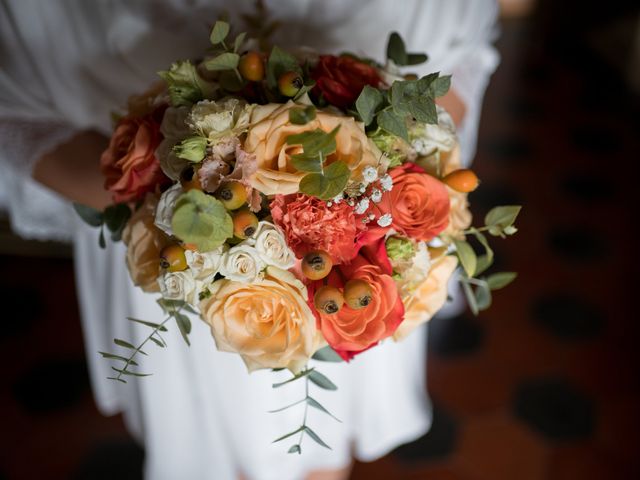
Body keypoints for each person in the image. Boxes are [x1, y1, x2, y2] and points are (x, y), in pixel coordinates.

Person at [0, 1, 499, 479]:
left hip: (363, 260)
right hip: (178, 259)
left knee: (325, 438)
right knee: (202, 445)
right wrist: (170, 193)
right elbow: (16, 114)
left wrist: (387, 169)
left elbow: (462, 52)